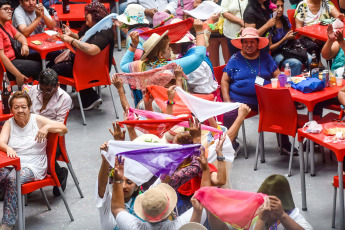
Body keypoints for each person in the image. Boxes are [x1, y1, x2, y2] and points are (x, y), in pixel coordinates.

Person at [221, 27, 296, 154]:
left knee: (282, 110)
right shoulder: (235, 58)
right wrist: (227, 101)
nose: (248, 45)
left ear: (257, 43)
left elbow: (277, 75)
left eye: (252, 42)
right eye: (245, 42)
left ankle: (284, 144)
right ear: (241, 43)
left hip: (265, 98)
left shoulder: (265, 57)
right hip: (240, 100)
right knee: (229, 113)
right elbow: (224, 80)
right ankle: (232, 143)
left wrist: (275, 87)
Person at [0, 91, 67, 230]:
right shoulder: (9, 123)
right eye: (16, 107)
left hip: (34, 165)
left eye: (23, 107)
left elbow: (63, 128)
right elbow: (1, 142)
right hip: (14, 162)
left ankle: (8, 223)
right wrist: (7, 148)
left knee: (13, 179)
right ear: (11, 109)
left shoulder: (37, 119)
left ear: (29, 107)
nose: (20, 111)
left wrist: (47, 127)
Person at [120, 18, 214, 103]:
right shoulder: (170, 67)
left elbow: (123, 65)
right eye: (168, 47)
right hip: (169, 106)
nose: (170, 49)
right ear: (161, 54)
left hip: (151, 105)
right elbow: (199, 56)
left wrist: (133, 45)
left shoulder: (141, 66)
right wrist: (199, 31)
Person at [111, 155, 206, 229]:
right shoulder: (179, 226)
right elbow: (205, 200)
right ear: (169, 208)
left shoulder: (133, 227)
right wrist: (205, 170)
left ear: (143, 211)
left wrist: (117, 180)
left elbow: (117, 208)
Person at [49, 2, 115, 111]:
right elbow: (80, 37)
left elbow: (92, 49)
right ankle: (85, 96)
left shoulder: (104, 31)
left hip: (91, 69)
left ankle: (80, 98)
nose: (84, 16)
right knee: (53, 59)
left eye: (87, 14)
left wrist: (72, 40)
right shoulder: (93, 27)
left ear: (95, 15)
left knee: (52, 70)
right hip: (89, 65)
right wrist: (72, 34)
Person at [207, 174, 313, 229]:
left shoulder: (292, 216)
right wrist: (211, 211)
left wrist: (283, 216)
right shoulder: (256, 212)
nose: (264, 208)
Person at [27, 68, 72, 197]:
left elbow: (60, 127)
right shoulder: (33, 90)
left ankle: (60, 174)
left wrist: (46, 128)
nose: (45, 93)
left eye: (49, 90)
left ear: (57, 86)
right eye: (42, 89)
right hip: (32, 133)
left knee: (35, 151)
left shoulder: (65, 98)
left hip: (53, 138)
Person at [97, 125, 140, 230]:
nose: (123, 186)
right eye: (120, 181)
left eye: (129, 182)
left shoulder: (144, 203)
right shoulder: (108, 202)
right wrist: (106, 159)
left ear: (138, 186)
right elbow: (101, 186)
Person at [0, 0, 42, 87]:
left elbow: (20, 36)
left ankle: (30, 91)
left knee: (39, 58)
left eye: (10, 9)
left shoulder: (7, 25)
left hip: (15, 58)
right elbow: (2, 57)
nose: (9, 11)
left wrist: (24, 44)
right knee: (39, 66)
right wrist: (17, 75)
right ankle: (35, 94)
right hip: (6, 68)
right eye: (5, 9)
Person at [269, 0, 307, 76]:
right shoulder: (269, 22)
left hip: (289, 49)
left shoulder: (285, 19)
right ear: (272, 7)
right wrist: (285, 39)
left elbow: (291, 36)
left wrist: (292, 36)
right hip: (276, 54)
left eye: (282, 6)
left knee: (309, 58)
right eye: (277, 6)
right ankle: (293, 86)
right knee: (296, 64)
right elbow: (270, 48)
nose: (280, 9)